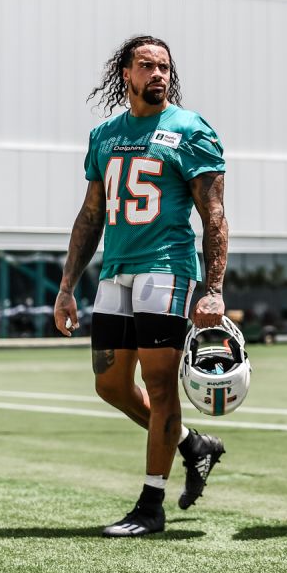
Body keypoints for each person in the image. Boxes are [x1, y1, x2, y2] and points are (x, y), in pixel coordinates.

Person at [55, 35, 230, 538]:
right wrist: (67, 286)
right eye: (147, 66)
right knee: (109, 383)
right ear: (125, 74)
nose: (158, 74)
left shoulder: (190, 129)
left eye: (165, 67)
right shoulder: (105, 135)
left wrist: (212, 287)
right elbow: (91, 215)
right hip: (117, 269)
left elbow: (214, 215)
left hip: (167, 268)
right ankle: (193, 444)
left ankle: (150, 506)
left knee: (159, 385)